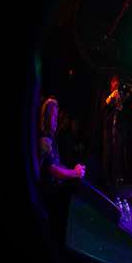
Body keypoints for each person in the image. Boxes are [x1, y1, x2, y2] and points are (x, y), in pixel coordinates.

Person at [38, 97, 86, 235]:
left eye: (56, 116)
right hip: (50, 194)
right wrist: (74, 173)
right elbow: (52, 170)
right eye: (53, 116)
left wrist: (75, 170)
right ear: (45, 117)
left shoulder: (51, 137)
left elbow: (57, 163)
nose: (56, 120)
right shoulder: (45, 139)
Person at [102, 74, 126, 190]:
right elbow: (104, 105)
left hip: (117, 129)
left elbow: (121, 109)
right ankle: (105, 179)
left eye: (117, 82)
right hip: (108, 128)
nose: (116, 84)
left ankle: (114, 179)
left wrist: (119, 99)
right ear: (111, 83)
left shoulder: (119, 95)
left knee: (116, 154)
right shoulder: (107, 93)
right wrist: (112, 96)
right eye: (114, 82)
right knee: (107, 154)